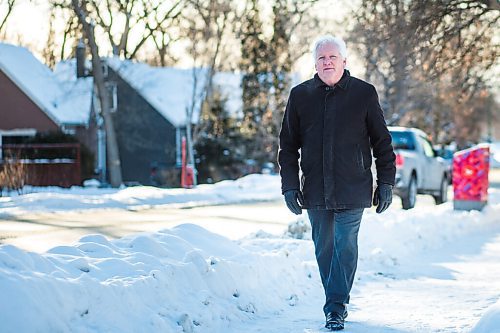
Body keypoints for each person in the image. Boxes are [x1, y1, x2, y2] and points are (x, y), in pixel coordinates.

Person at [277, 35, 396, 331]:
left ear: (344, 61)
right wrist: (289, 185)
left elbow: (382, 142)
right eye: (321, 58)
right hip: (315, 189)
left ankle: (335, 307)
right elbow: (288, 146)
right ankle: (336, 301)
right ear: (315, 63)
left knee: (345, 244)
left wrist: (386, 183)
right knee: (324, 249)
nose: (327, 62)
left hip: (353, 187)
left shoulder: (364, 94)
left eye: (332, 57)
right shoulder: (300, 96)